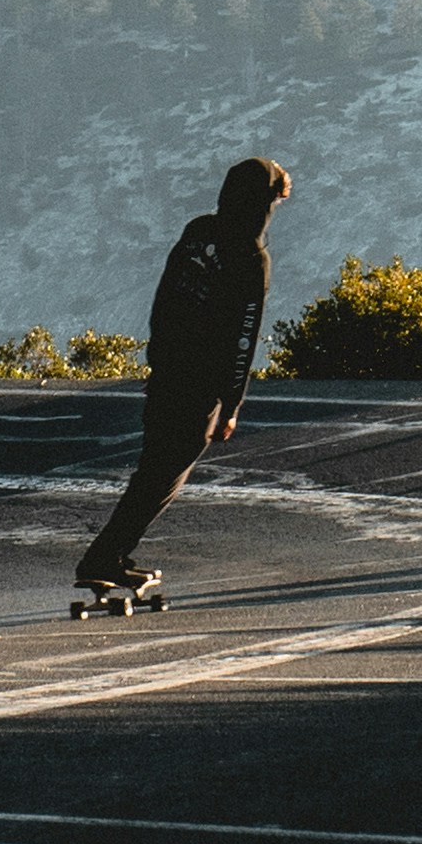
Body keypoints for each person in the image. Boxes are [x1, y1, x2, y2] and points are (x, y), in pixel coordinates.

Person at [73, 156, 290, 603]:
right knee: (164, 475)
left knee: (153, 468)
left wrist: (160, 354)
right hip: (201, 384)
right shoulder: (252, 259)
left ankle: (111, 555)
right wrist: (232, 406)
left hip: (167, 369)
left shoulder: (199, 232)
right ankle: (103, 556)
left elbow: (165, 296)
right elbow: (243, 340)